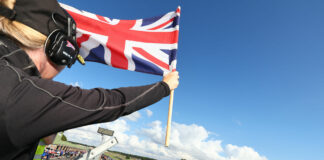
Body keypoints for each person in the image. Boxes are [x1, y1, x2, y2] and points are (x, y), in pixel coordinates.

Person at [0, 0, 179, 159]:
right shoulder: (21, 93)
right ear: (58, 49)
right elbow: (110, 103)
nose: (66, 68)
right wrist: (165, 86)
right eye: (69, 59)